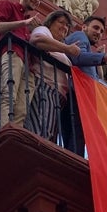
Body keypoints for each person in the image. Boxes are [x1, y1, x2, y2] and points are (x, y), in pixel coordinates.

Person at [62, 16, 107, 156]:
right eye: (95, 28)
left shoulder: (90, 49)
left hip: (81, 97)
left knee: (76, 136)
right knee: (76, 135)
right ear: (84, 27)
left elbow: (94, 80)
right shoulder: (80, 36)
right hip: (76, 95)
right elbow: (78, 56)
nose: (99, 32)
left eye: (102, 31)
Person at [0, 0, 44, 128]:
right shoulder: (7, 6)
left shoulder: (30, 24)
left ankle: (13, 138)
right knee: (8, 96)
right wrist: (24, 23)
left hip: (29, 67)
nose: (37, 0)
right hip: (12, 55)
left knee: (22, 109)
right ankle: (4, 135)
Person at [24, 10, 80, 141]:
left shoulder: (59, 47)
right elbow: (36, 40)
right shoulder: (44, 30)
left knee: (49, 133)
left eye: (67, 25)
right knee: (42, 131)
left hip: (57, 96)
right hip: (46, 87)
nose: (65, 27)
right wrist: (67, 49)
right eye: (61, 22)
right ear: (50, 23)